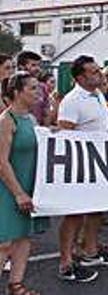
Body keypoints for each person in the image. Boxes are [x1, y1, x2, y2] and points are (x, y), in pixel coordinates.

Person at [56, 55, 108, 283]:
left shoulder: (98, 94)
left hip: (101, 161)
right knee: (74, 214)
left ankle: (90, 251)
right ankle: (66, 262)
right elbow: (65, 134)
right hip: (81, 165)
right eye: (93, 71)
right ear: (80, 77)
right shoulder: (71, 101)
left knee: (96, 209)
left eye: (98, 69)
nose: (99, 73)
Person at [0, 72, 49, 295]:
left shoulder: (30, 119)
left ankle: (16, 285)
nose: (37, 92)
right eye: (31, 88)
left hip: (29, 186)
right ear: (17, 92)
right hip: (8, 188)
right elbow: (1, 162)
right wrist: (18, 193)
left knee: (23, 237)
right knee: (4, 242)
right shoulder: (5, 121)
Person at [15, 52, 53, 127]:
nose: (38, 69)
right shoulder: (11, 86)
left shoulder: (42, 87)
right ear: (21, 66)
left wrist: (44, 132)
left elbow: (46, 113)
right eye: (33, 65)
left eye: (39, 65)